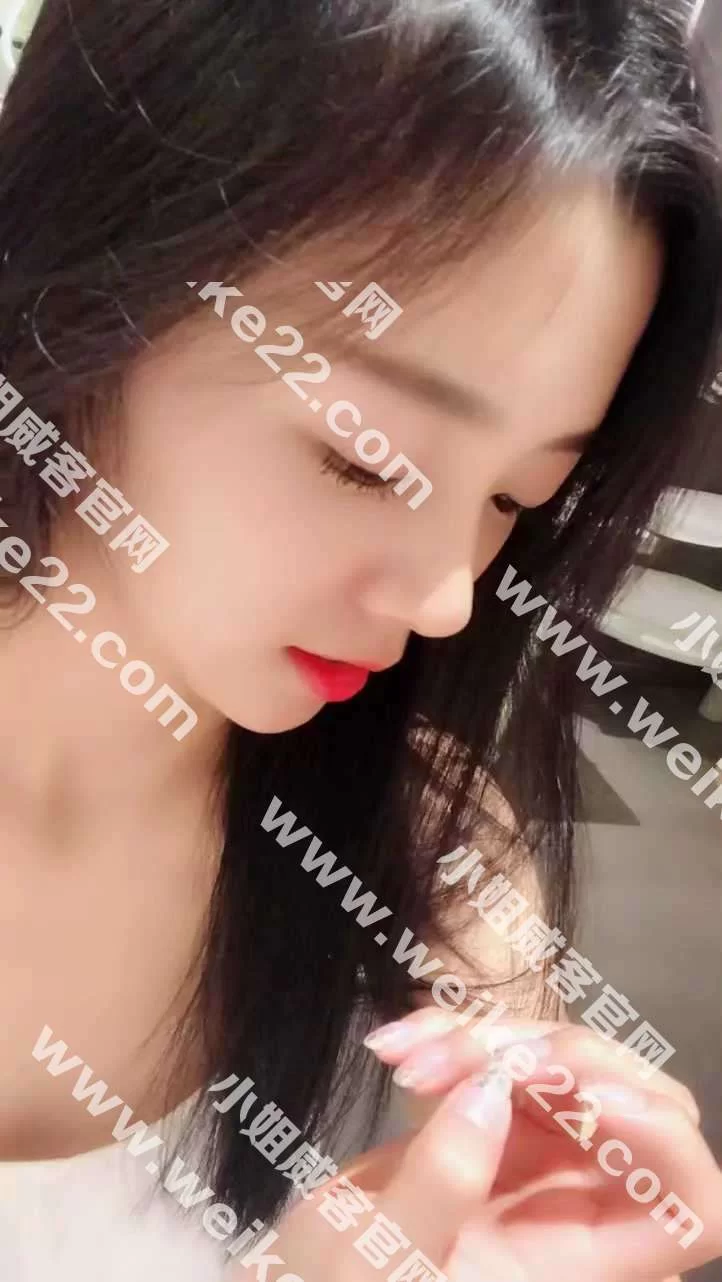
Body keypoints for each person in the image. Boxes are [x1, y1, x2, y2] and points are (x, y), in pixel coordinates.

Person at [0, 0, 720, 1278]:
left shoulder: (433, 860)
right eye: (363, 458)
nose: (447, 599)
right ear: (83, 290)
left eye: (514, 498)